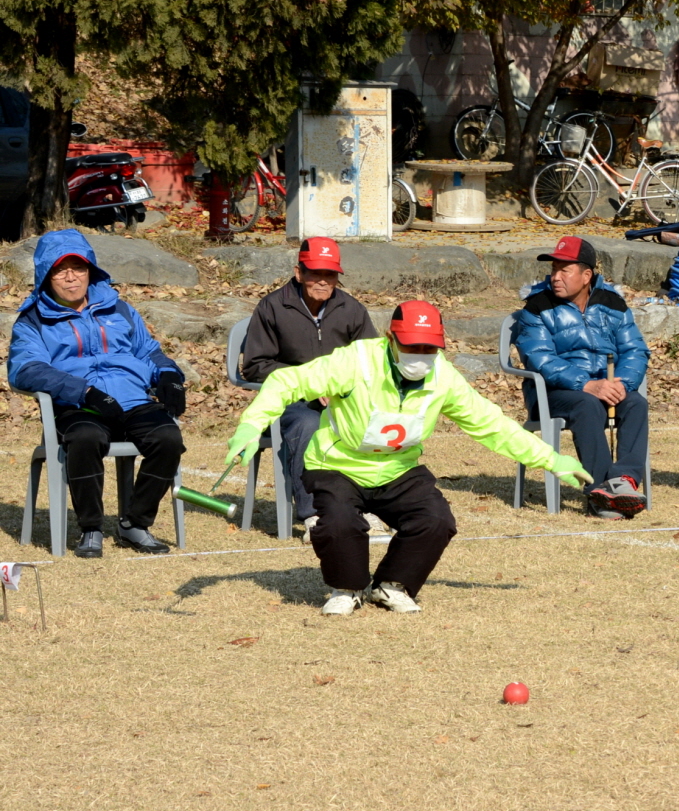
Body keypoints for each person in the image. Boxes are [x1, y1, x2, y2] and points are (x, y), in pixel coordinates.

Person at [226, 301, 590, 616]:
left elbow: (490, 423)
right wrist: (250, 426)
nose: (420, 356)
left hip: (399, 468)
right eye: (411, 346)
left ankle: (390, 585)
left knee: (436, 520)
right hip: (339, 464)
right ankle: (347, 588)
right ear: (391, 339)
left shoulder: (443, 376)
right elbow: (286, 383)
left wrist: (551, 459)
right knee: (338, 524)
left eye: (429, 349)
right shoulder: (356, 360)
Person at [7, 229, 187, 556]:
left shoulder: (120, 310)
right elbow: (25, 369)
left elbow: (150, 351)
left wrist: (170, 375)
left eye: (79, 268)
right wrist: (84, 392)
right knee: (86, 438)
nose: (72, 277)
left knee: (168, 439)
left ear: (91, 270)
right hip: (80, 406)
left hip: (134, 401)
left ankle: (135, 523)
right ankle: (90, 528)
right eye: (61, 270)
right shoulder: (32, 321)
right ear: (46, 275)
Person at [240, 237, 377, 537]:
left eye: (330, 275)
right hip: (288, 403)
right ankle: (314, 514)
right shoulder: (273, 306)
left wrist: (346, 386)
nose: (323, 281)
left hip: (340, 398)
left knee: (377, 420)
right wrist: (310, 384)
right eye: (315, 273)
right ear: (299, 273)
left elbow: (372, 361)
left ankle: (368, 506)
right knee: (308, 423)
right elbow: (256, 365)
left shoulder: (351, 309)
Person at [513, 236, 650, 520]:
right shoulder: (536, 308)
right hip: (552, 394)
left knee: (636, 403)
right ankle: (601, 491)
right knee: (586, 404)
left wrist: (621, 383)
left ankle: (623, 481)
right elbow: (540, 358)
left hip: (606, 386)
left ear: (586, 275)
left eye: (565, 270)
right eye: (554, 269)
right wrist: (587, 384)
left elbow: (634, 349)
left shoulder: (613, 304)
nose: (556, 277)